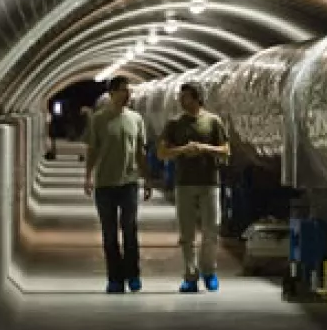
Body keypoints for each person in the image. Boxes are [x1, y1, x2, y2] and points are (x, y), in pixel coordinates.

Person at [157, 81, 230, 293]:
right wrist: (182, 150)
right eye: (181, 96)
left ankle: (208, 271)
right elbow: (162, 152)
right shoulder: (174, 124)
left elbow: (226, 150)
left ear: (198, 98)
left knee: (211, 229)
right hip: (184, 183)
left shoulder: (213, 122)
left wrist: (204, 148)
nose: (181, 100)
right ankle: (190, 274)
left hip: (210, 182)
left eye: (186, 96)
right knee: (186, 233)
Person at [84, 76, 149, 294]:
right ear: (111, 93)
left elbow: (141, 150)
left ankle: (133, 274)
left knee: (130, 231)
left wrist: (146, 178)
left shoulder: (136, 119)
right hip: (105, 184)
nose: (128, 94)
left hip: (129, 183)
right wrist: (88, 176)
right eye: (123, 90)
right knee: (109, 234)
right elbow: (92, 149)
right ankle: (115, 278)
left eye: (129, 90)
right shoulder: (99, 119)